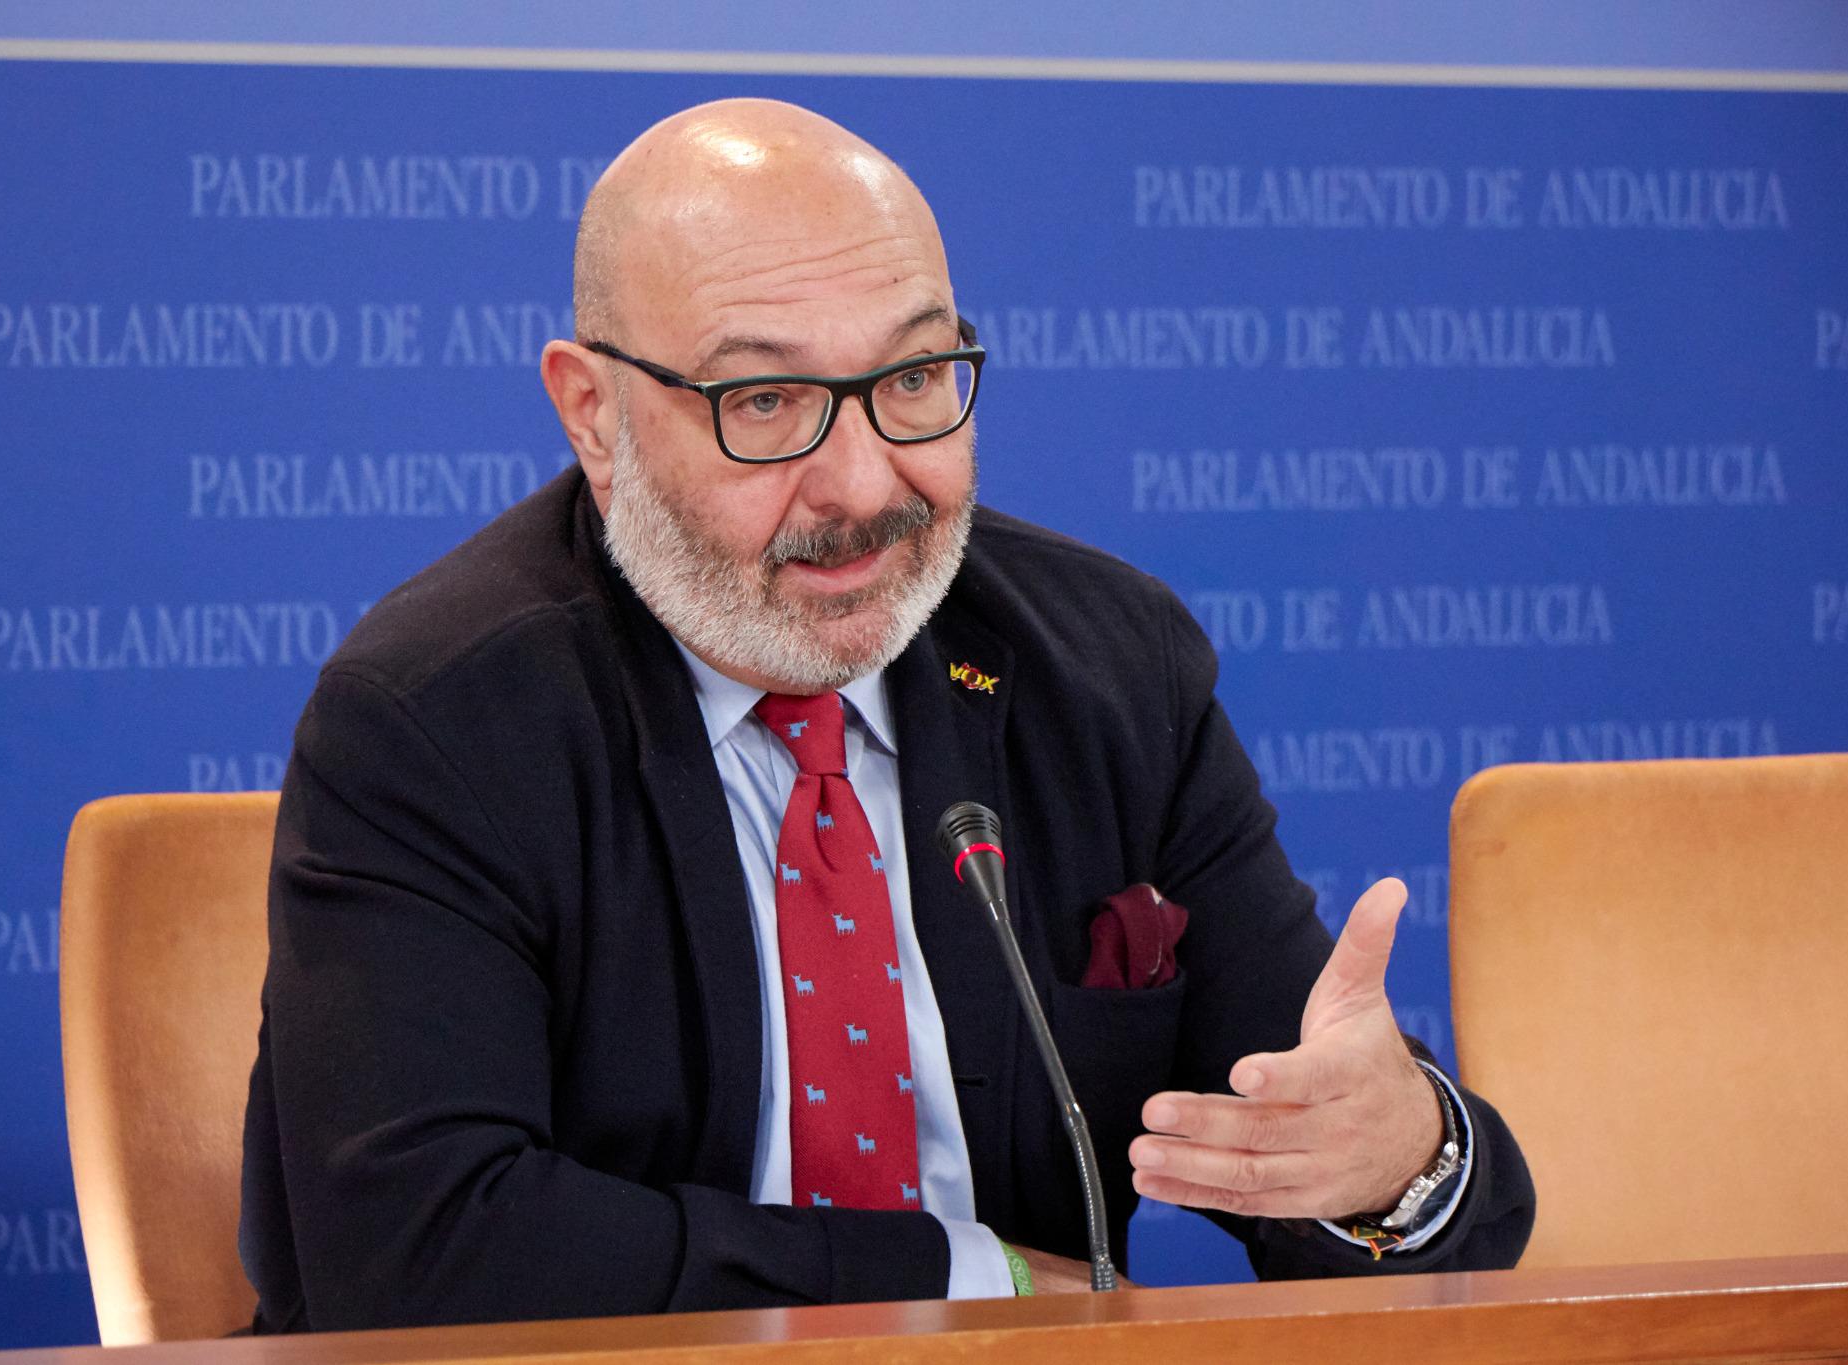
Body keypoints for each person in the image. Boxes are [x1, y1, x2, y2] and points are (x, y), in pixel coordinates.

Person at [238, 98, 1533, 1332]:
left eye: (915, 376)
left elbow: (1403, 1203)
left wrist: (1396, 1157)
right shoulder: (437, 717)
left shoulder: (1108, 668)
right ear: (596, 412)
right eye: (767, 402)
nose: (862, 485)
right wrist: (963, 1278)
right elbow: (420, 1255)